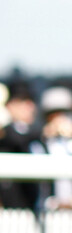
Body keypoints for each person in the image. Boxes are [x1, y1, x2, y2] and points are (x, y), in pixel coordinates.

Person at [0, 79, 41, 210]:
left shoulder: (35, 135)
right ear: (9, 105)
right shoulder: (7, 134)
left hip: (33, 209)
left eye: (31, 101)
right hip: (11, 211)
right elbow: (15, 139)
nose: (30, 106)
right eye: (22, 101)